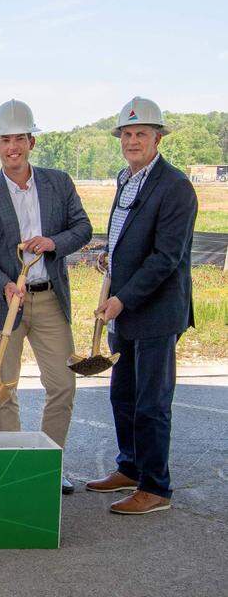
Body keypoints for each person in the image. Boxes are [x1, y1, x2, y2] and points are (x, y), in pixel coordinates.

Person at [0, 100, 92, 495]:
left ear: (31, 142)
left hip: (50, 298)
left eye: (19, 138)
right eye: (4, 140)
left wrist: (53, 242)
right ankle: (11, 462)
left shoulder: (59, 182)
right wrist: (5, 284)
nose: (12, 147)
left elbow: (84, 228)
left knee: (63, 385)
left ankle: (49, 463)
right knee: (3, 388)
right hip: (4, 303)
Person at [86, 97, 197, 515]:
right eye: (127, 134)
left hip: (155, 311)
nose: (132, 140)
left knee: (151, 402)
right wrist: (109, 257)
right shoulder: (126, 178)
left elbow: (166, 258)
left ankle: (156, 487)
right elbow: (129, 236)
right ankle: (130, 467)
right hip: (126, 309)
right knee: (123, 396)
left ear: (158, 137)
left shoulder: (174, 186)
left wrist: (122, 299)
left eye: (141, 134)